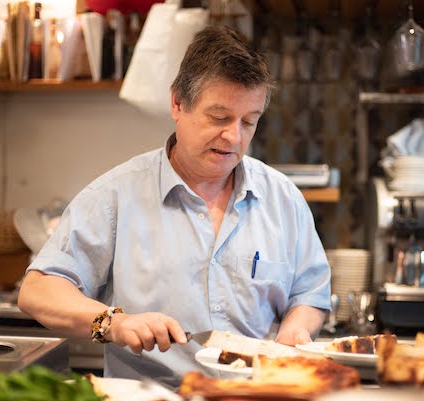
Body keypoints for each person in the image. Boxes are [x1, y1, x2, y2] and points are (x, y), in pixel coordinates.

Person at [17, 25, 331, 387]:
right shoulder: (116, 196)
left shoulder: (283, 198)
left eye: (249, 121)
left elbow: (309, 293)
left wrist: (294, 332)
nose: (234, 136)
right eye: (219, 117)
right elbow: (38, 291)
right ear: (177, 103)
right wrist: (114, 322)